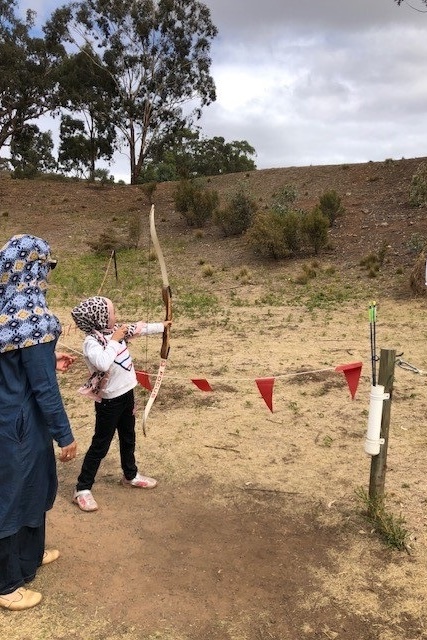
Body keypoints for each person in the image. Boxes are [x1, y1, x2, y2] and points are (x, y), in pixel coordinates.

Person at [0, 234, 77, 611]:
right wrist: (65, 435)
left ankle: (29, 557)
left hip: (14, 421)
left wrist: (50, 361)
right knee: (10, 499)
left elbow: (20, 369)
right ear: (32, 268)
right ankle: (6, 584)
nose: (47, 275)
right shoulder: (32, 319)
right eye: (44, 267)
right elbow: (44, 389)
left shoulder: (6, 312)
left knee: (34, 485)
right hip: (17, 427)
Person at [71, 295, 171, 512]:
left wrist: (162, 327)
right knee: (101, 444)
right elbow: (103, 362)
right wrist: (116, 339)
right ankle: (82, 488)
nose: (115, 315)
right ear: (99, 318)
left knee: (128, 437)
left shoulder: (115, 331)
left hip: (127, 394)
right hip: (109, 401)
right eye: (111, 312)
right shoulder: (92, 342)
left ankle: (130, 474)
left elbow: (138, 329)